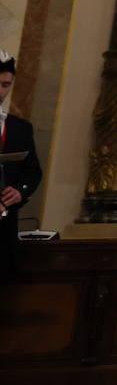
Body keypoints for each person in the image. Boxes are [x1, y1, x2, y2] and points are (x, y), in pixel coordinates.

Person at [0, 49, 42, 286]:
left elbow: (33, 171)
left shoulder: (19, 128)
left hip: (4, 235)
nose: (0, 92)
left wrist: (19, 191)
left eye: (6, 85)